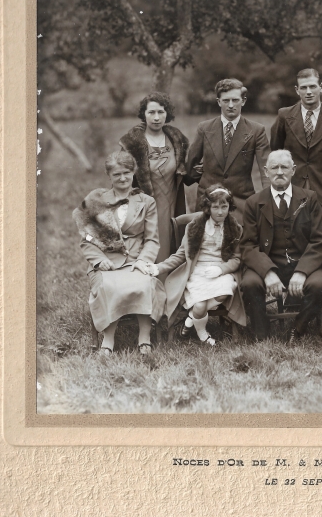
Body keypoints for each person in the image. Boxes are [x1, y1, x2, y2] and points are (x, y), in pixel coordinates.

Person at [72, 150, 166, 356]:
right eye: (117, 174)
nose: (122, 178)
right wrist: (99, 260)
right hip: (107, 261)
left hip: (135, 259)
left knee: (145, 283)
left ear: (133, 173)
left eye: (126, 173)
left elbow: (151, 239)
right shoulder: (96, 200)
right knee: (107, 285)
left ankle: (144, 337)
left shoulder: (146, 201)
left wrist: (143, 261)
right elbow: (86, 240)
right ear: (109, 176)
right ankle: (108, 339)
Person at [239, 150, 322, 342]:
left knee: (317, 285)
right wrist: (267, 272)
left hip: (302, 262)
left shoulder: (309, 198)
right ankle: (261, 331)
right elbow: (248, 245)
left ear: (294, 170)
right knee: (249, 283)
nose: (280, 172)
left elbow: (320, 240)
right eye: (275, 167)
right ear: (266, 171)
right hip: (268, 263)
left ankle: (299, 327)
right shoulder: (254, 202)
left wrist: (302, 272)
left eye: (285, 167)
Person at [154, 184, 246, 346]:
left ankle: (191, 320)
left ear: (229, 207)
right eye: (215, 207)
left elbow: (237, 260)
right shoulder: (195, 227)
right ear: (207, 207)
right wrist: (159, 267)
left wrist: (220, 269)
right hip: (198, 270)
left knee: (226, 289)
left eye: (224, 207)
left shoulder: (234, 229)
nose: (220, 212)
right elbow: (181, 255)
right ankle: (201, 330)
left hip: (221, 271)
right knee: (200, 304)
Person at [270, 68, 322, 234]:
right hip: (291, 185)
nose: (309, 92)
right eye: (303, 88)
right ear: (297, 90)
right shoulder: (284, 115)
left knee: (320, 238)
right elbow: (275, 151)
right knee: (290, 239)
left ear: (321, 87)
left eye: (312, 86)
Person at [184, 78, 270, 221]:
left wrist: (269, 198)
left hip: (241, 202)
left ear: (243, 101)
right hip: (208, 201)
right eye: (226, 101)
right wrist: (206, 174)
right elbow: (190, 165)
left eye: (235, 100)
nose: (231, 105)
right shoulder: (204, 128)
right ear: (218, 102)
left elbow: (265, 168)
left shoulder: (256, 130)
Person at [119, 92, 191, 263]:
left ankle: (169, 285)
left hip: (173, 203)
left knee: (172, 245)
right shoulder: (132, 143)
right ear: (143, 114)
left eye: (161, 112)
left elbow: (184, 172)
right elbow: (121, 177)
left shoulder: (176, 139)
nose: (157, 117)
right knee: (147, 248)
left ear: (168, 114)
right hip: (144, 206)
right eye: (151, 112)